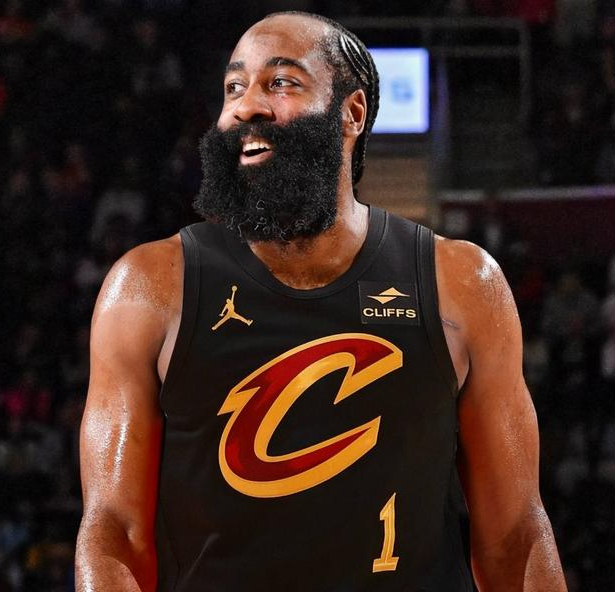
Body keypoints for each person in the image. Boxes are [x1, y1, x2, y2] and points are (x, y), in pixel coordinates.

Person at [75, 11, 567, 592]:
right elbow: (114, 534)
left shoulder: (461, 283)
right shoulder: (148, 287)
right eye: (234, 87)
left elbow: (515, 538)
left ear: (352, 113)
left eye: (281, 82)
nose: (247, 106)